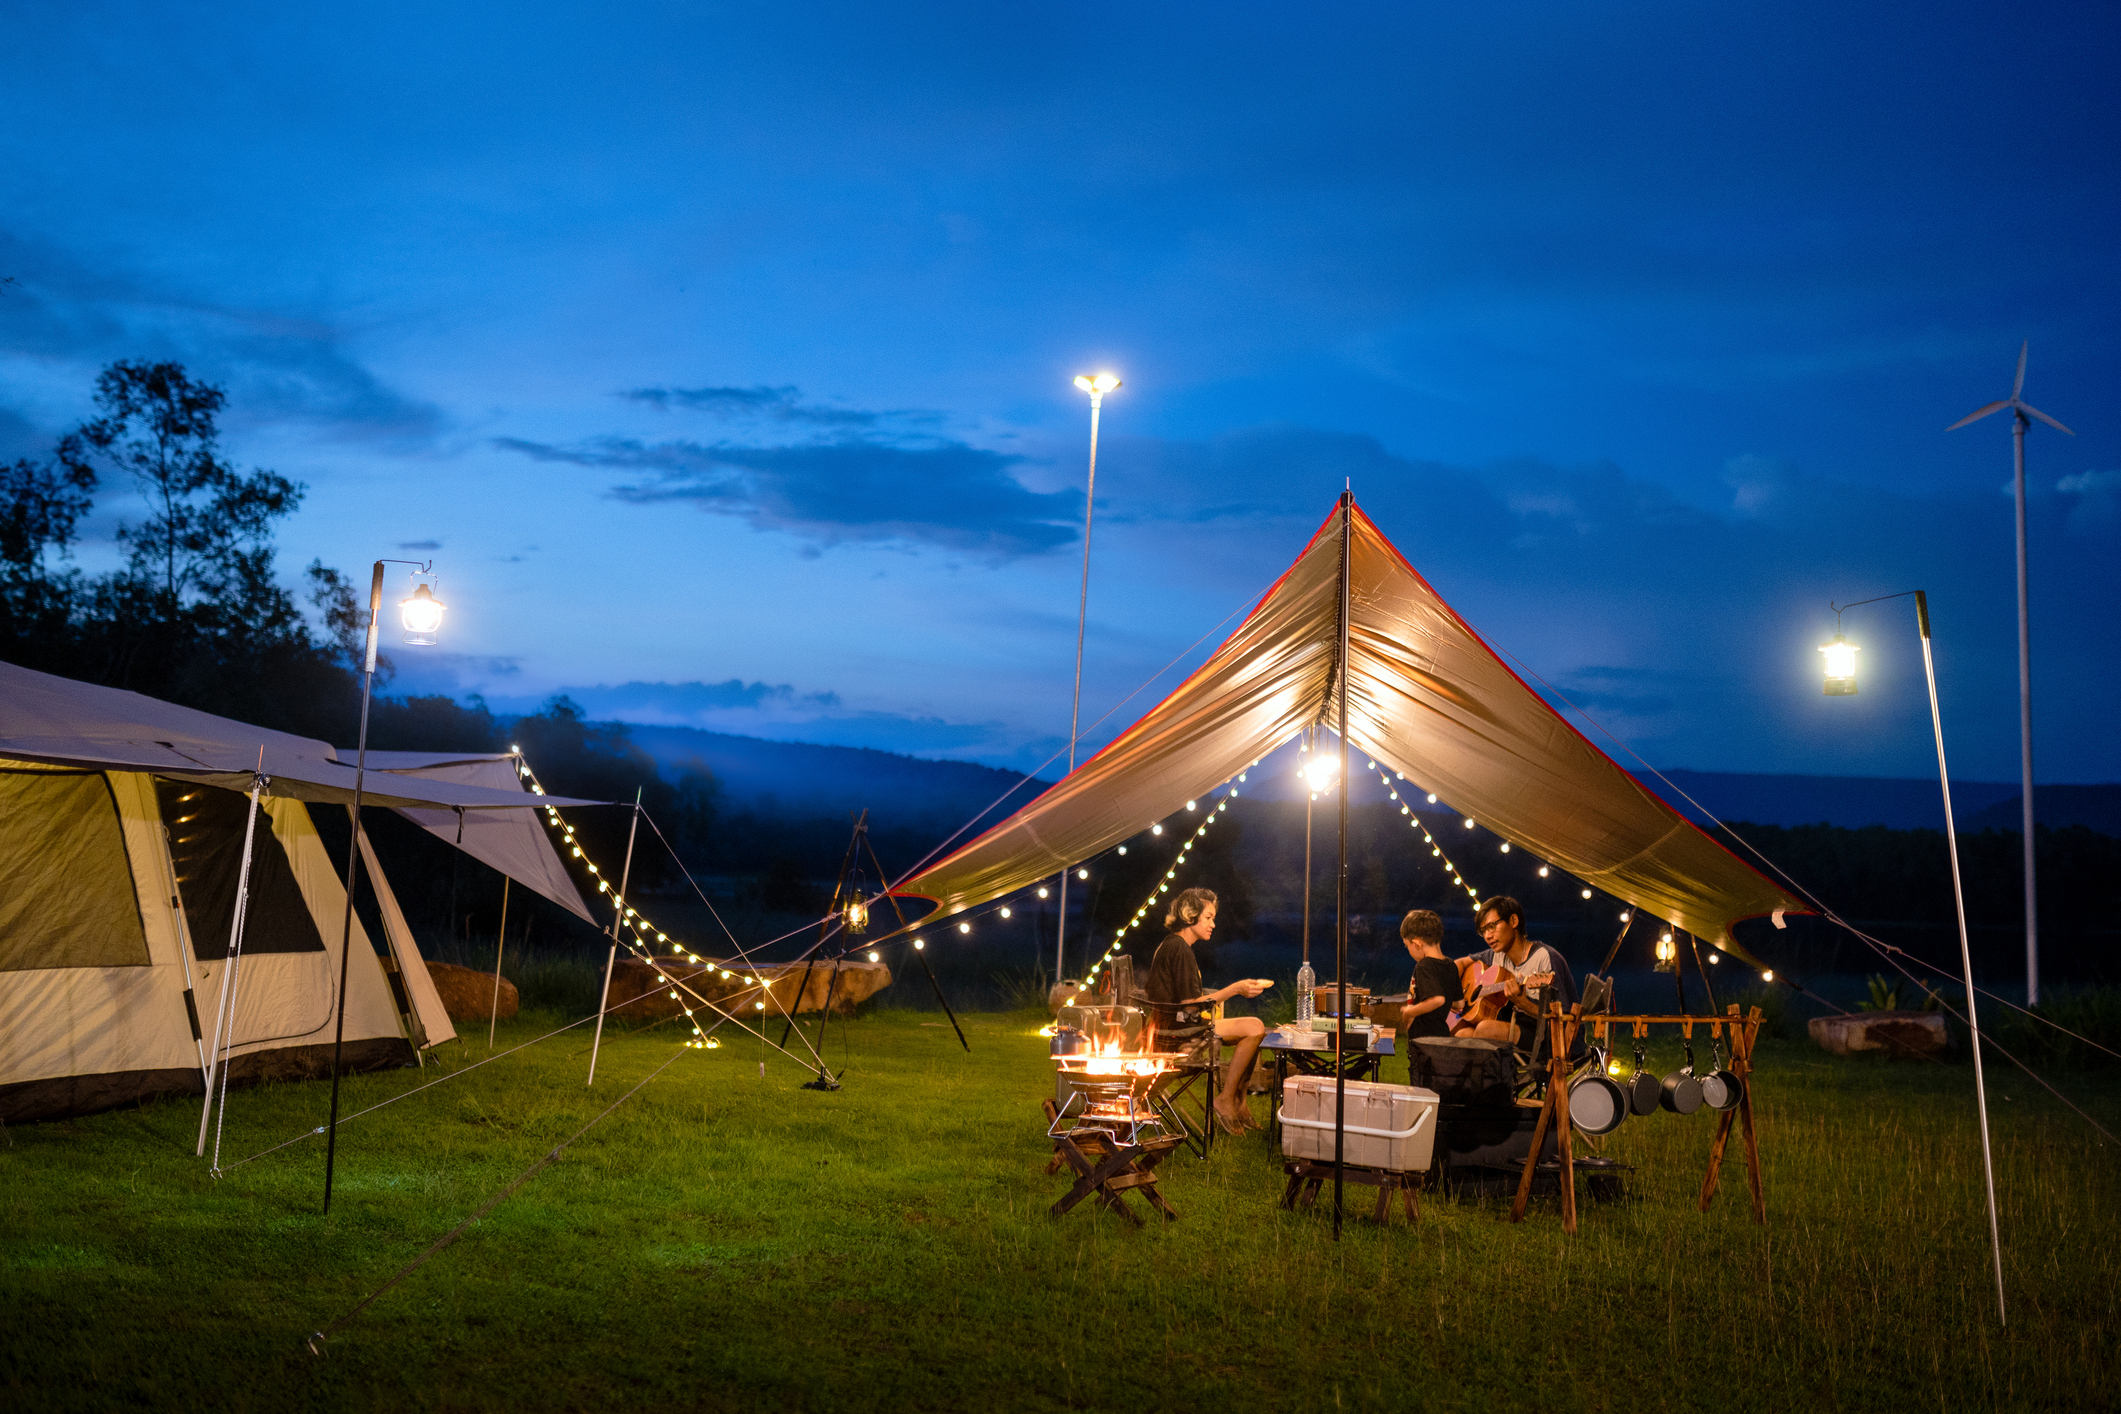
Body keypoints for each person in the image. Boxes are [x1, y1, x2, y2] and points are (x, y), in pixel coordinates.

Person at [1143, 887, 1268, 1134]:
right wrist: (1235, 989)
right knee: (1255, 1027)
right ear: (1191, 917)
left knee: (1255, 1030)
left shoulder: (1173, 945)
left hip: (1172, 1027)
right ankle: (1226, 1099)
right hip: (1176, 1033)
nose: (1213, 924)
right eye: (1208, 917)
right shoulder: (1179, 949)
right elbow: (1191, 1006)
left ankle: (1238, 1101)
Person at [1460, 895, 1557, 1046]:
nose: (1487, 936)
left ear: (1513, 921)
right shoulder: (1495, 954)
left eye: (1492, 926)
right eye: (1483, 930)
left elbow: (1561, 1016)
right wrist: (1455, 991)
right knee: (1462, 1034)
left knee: (1485, 1029)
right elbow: (1460, 963)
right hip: (1510, 1025)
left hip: (1543, 1038)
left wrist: (1522, 1002)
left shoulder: (1546, 957)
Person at [1396, 911, 1456, 1085]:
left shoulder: (1424, 966)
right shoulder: (1450, 965)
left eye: (1407, 946)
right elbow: (1458, 1003)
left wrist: (1411, 1011)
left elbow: (1438, 999)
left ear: (1416, 943)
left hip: (1423, 1040)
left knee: (1420, 1085)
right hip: (1442, 1037)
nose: (1408, 950)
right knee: (1438, 1084)